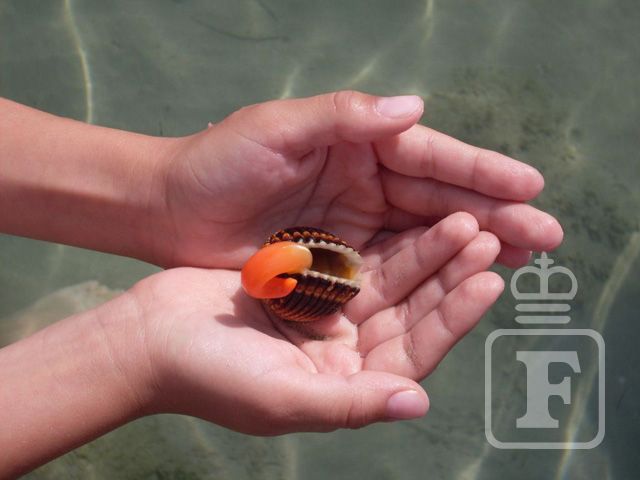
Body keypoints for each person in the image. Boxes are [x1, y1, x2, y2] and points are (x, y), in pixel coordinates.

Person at [0, 91, 562, 477]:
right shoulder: (290, 270)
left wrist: (163, 193)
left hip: (306, 276)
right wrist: (130, 353)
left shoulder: (309, 269)